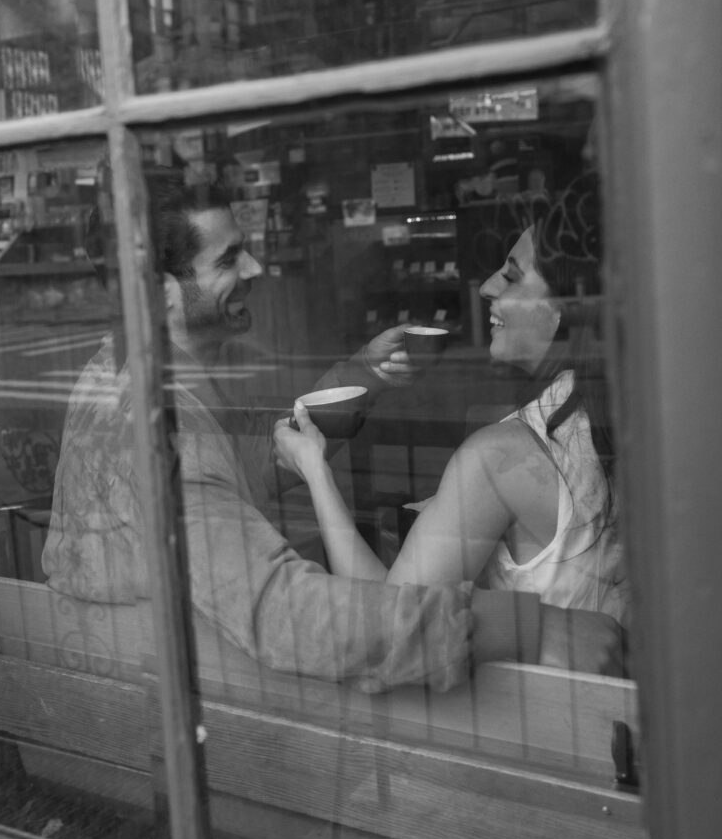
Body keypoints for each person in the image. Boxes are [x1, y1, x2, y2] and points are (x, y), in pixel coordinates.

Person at [42, 182, 623, 693]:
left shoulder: (142, 378)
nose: (255, 270)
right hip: (186, 711)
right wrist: (527, 626)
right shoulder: (155, 428)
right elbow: (289, 615)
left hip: (173, 687)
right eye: (228, 259)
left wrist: (362, 377)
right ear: (159, 293)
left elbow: (242, 470)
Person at [274, 195, 630, 635]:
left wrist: (313, 468)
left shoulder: (501, 456)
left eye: (512, 277)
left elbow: (390, 621)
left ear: (562, 311)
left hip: (543, 700)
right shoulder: (637, 417)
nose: (487, 287)